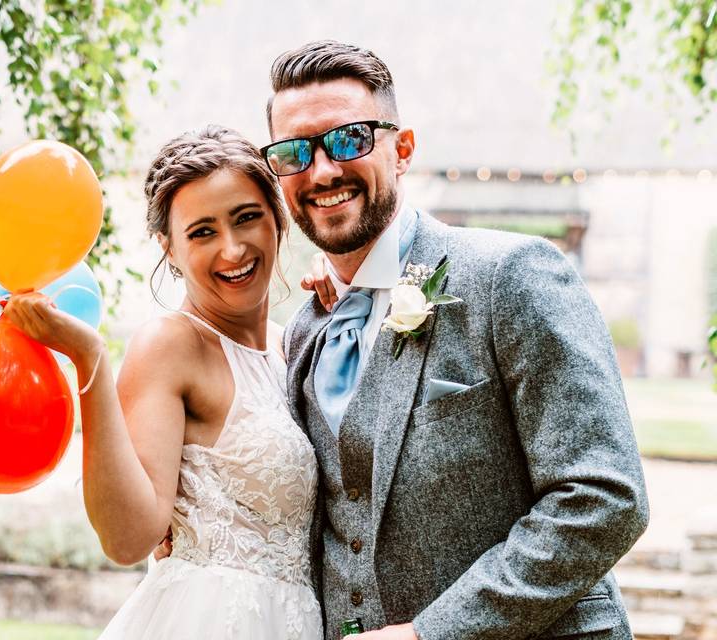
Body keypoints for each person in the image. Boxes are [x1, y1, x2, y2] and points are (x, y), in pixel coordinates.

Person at [267, 41, 650, 639]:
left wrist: (432, 633)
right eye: (294, 152)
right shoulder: (305, 332)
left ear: (404, 150)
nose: (321, 171)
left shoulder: (511, 275)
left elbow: (603, 496)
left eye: (349, 140)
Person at [3, 125, 329, 639]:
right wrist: (91, 360)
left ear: (278, 219)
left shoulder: (299, 344)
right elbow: (128, 537)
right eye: (202, 232)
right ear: (169, 249)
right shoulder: (172, 344)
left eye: (247, 218)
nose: (232, 249)